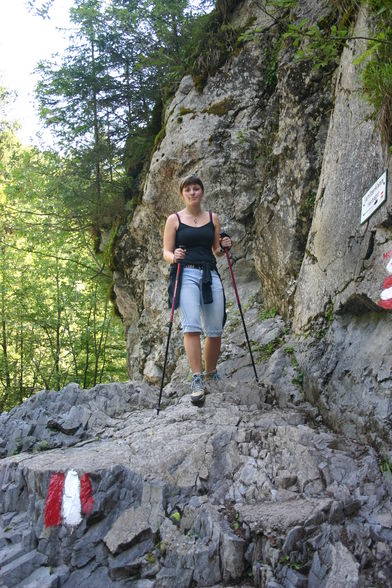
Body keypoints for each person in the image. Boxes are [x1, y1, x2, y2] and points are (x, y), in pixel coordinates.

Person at [163, 175, 232, 404]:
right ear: (182, 194)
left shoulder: (213, 218)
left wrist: (223, 246)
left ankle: (211, 373)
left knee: (215, 329)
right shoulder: (174, 219)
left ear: (202, 192)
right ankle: (196, 378)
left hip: (209, 273)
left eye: (196, 189)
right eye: (188, 189)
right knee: (191, 326)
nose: (192, 193)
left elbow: (216, 250)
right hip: (185, 274)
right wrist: (174, 257)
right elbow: (166, 252)